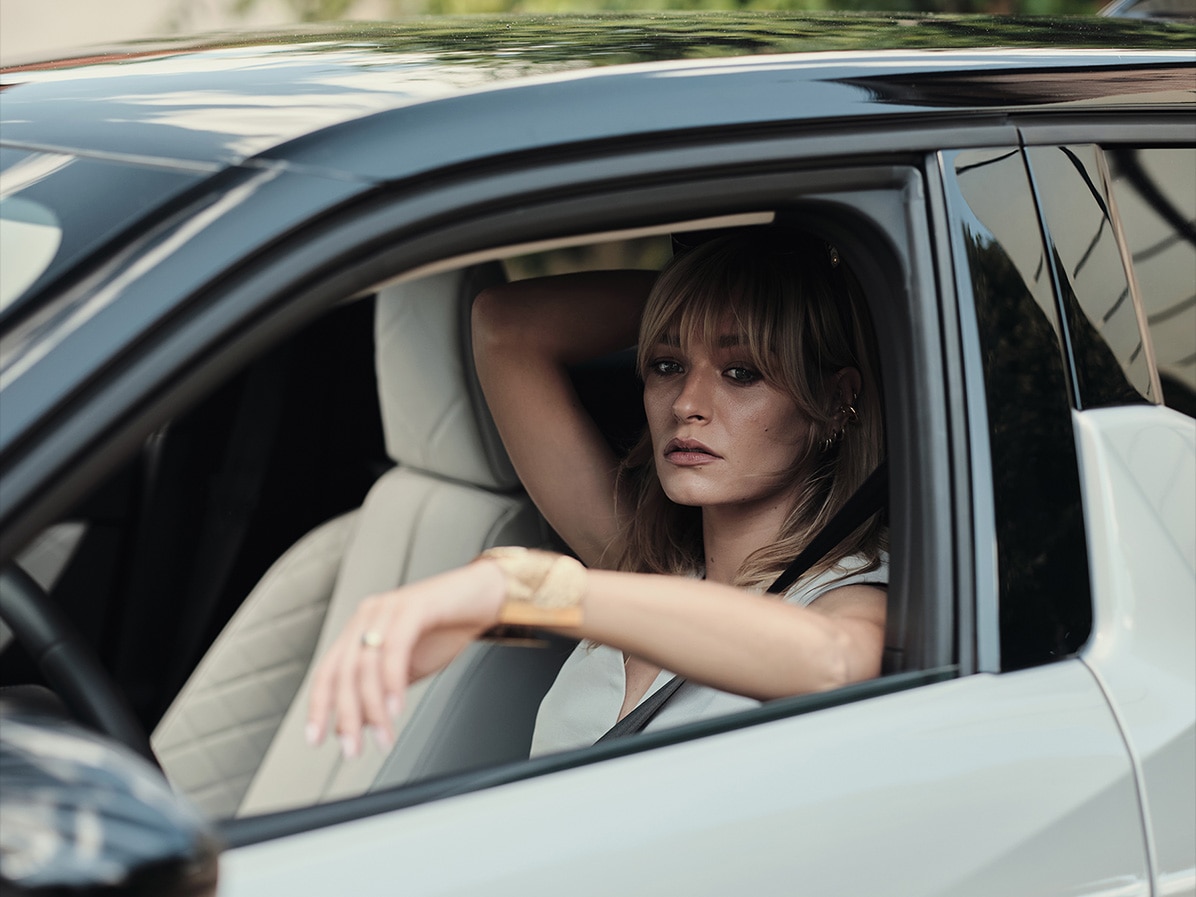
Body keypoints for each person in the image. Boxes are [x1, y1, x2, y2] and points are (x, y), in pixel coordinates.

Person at [306, 228, 888, 759]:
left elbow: (835, 660)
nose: (687, 403)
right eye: (667, 364)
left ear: (836, 399)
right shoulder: (642, 565)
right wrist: (698, 293)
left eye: (741, 372)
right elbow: (506, 326)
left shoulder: (854, 591)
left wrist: (518, 586)